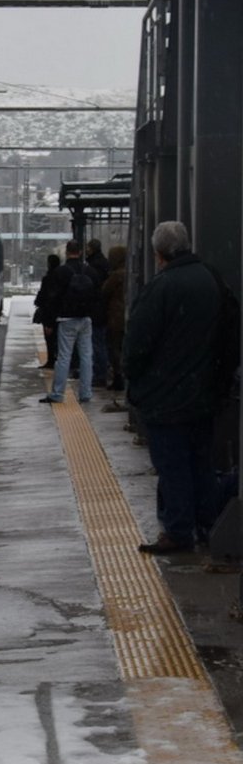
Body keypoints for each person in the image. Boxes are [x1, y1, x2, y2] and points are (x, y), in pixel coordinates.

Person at [124, 221, 221, 554]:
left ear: (158, 253)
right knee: (201, 463)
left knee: (172, 466)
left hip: (166, 397)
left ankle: (178, 531)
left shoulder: (161, 287)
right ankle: (208, 525)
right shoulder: (210, 280)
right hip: (204, 393)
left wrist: (135, 380)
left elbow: (137, 344)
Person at [40, 240, 95, 405]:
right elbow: (97, 295)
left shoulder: (60, 272)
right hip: (85, 319)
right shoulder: (89, 270)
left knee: (64, 357)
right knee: (86, 356)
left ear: (67, 252)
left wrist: (49, 321)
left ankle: (57, 394)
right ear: (80, 252)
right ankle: (85, 393)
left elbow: (53, 298)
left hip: (66, 319)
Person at [85, 238, 111, 386]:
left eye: (88, 247)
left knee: (97, 343)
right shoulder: (104, 263)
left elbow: (94, 289)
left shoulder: (94, 266)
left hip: (97, 310)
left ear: (92, 249)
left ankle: (100, 374)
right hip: (102, 309)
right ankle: (101, 372)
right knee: (100, 342)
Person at [101, 245, 127, 390]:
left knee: (114, 348)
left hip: (115, 318)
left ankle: (119, 377)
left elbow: (104, 291)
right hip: (126, 317)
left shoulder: (116, 275)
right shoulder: (130, 273)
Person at [33, 253, 62, 368]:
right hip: (60, 313)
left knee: (49, 339)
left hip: (49, 314)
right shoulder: (62, 276)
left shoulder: (48, 278)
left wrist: (38, 302)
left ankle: (51, 361)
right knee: (59, 339)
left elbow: (46, 297)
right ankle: (56, 359)